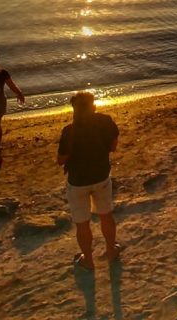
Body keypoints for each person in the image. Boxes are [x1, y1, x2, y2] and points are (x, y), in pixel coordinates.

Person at [56, 92, 121, 270]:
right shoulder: (105, 121)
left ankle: (88, 260)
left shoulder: (70, 130)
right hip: (101, 176)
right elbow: (114, 147)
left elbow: (61, 159)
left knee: (82, 223)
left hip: (78, 181)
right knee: (105, 215)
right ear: (93, 106)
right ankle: (111, 250)